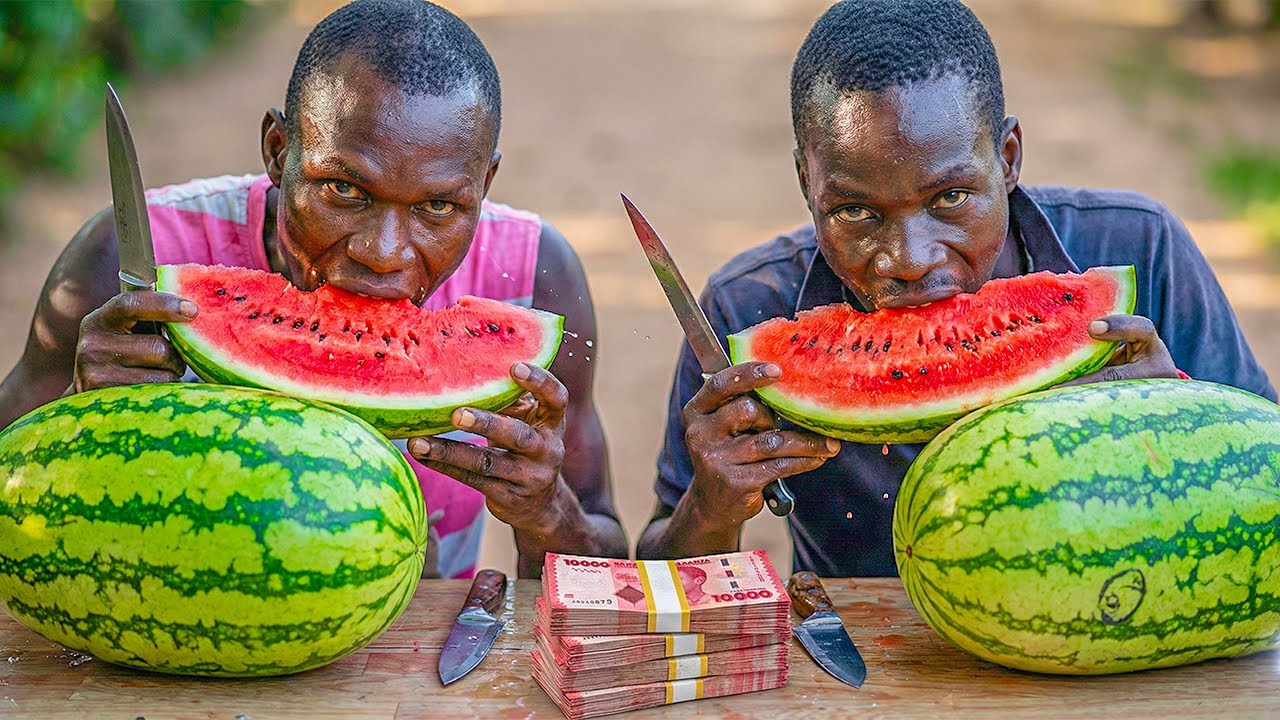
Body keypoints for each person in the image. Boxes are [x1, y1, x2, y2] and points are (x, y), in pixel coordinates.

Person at [636, 0, 1276, 576]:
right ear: (808, 182)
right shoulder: (748, 310)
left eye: (950, 198)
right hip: (870, 669)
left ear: (1009, 157)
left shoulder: (1139, 249)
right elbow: (658, 569)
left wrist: (1182, 421)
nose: (909, 261)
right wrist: (712, 505)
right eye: (855, 212)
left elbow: (1266, 491)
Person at [0, 0, 626, 579]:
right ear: (278, 151)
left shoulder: (534, 279)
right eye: (344, 191)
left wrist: (549, 513)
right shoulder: (133, 258)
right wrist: (72, 420)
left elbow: (606, 564)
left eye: (438, 205)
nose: (382, 253)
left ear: (484, 183)